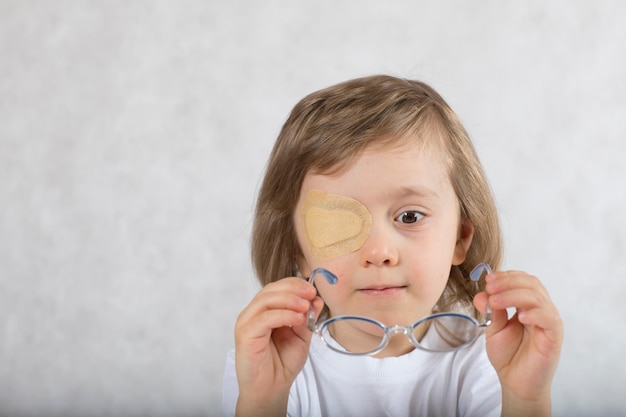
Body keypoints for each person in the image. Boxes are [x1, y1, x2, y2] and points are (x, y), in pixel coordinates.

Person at [222, 75, 563, 417]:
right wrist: (263, 402)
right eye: (340, 224)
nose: (379, 252)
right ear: (299, 249)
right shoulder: (269, 363)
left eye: (410, 217)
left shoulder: (491, 359)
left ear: (460, 238)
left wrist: (525, 399)